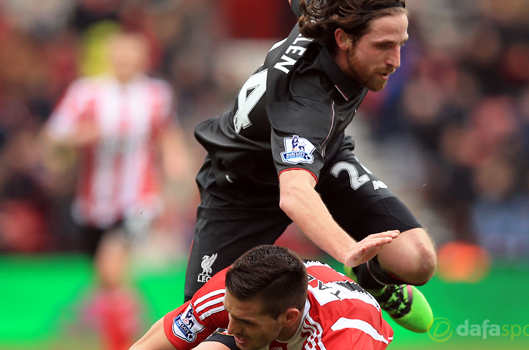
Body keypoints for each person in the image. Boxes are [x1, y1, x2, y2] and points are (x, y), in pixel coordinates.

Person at [184, 0, 436, 335]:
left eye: (401, 44)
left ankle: (373, 278)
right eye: (383, 46)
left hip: (321, 154)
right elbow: (295, 194)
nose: (395, 61)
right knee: (202, 325)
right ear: (343, 38)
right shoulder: (308, 102)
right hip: (241, 188)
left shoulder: (327, 8)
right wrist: (349, 250)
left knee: (417, 261)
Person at [42, 30, 190, 350]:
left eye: (132, 53)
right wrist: (81, 137)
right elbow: (54, 137)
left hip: (138, 200)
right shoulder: (86, 93)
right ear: (109, 56)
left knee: (111, 269)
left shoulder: (156, 94)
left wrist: (178, 169)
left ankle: (127, 343)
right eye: (119, 53)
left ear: (143, 58)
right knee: (108, 281)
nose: (124, 59)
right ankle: (149, 325)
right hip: (92, 203)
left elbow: (167, 134)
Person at [131, 244, 395, 350]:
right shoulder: (223, 292)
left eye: (246, 320)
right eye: (229, 313)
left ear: (288, 317)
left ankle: (378, 284)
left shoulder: (346, 336)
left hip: (346, 315)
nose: (231, 327)